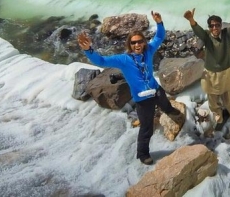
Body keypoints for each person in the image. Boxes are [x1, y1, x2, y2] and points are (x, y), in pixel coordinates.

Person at [77, 11, 184, 165]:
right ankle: (142, 154)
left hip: (155, 89)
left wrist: (160, 23)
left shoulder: (148, 51)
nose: (137, 45)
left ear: (143, 42)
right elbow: (101, 61)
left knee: (164, 102)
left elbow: (159, 37)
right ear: (129, 45)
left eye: (140, 41)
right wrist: (89, 50)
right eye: (133, 43)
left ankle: (169, 110)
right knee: (146, 128)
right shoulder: (124, 60)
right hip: (142, 99)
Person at [183, 5, 230, 125]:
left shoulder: (226, 34)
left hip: (226, 72)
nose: (215, 28)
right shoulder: (206, 37)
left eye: (217, 25)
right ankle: (218, 114)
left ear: (221, 25)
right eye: (212, 25)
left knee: (229, 97)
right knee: (213, 97)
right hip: (211, 73)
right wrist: (191, 20)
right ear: (209, 27)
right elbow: (198, 31)